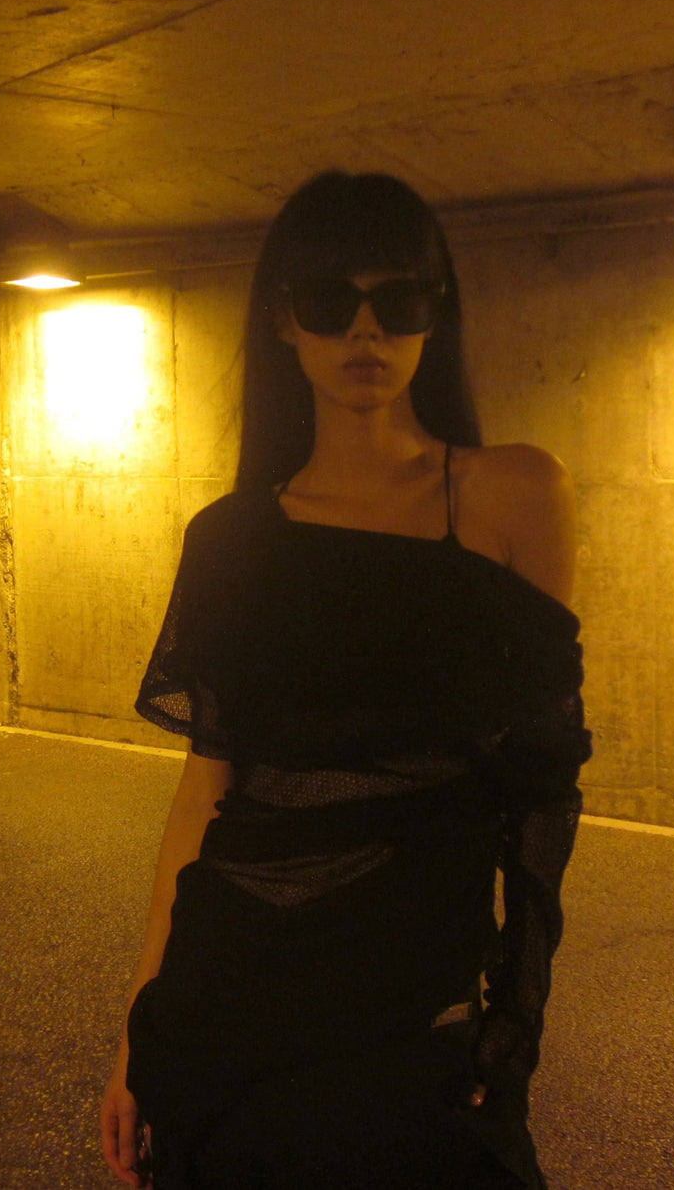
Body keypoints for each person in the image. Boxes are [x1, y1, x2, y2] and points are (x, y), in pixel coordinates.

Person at [100, 171, 592, 1189]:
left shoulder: (512, 494)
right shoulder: (230, 539)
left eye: (398, 299)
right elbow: (207, 788)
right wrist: (136, 1031)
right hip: (227, 990)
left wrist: (514, 1023)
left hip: (410, 986)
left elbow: (542, 791)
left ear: (435, 310)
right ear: (283, 320)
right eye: (330, 302)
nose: (365, 330)